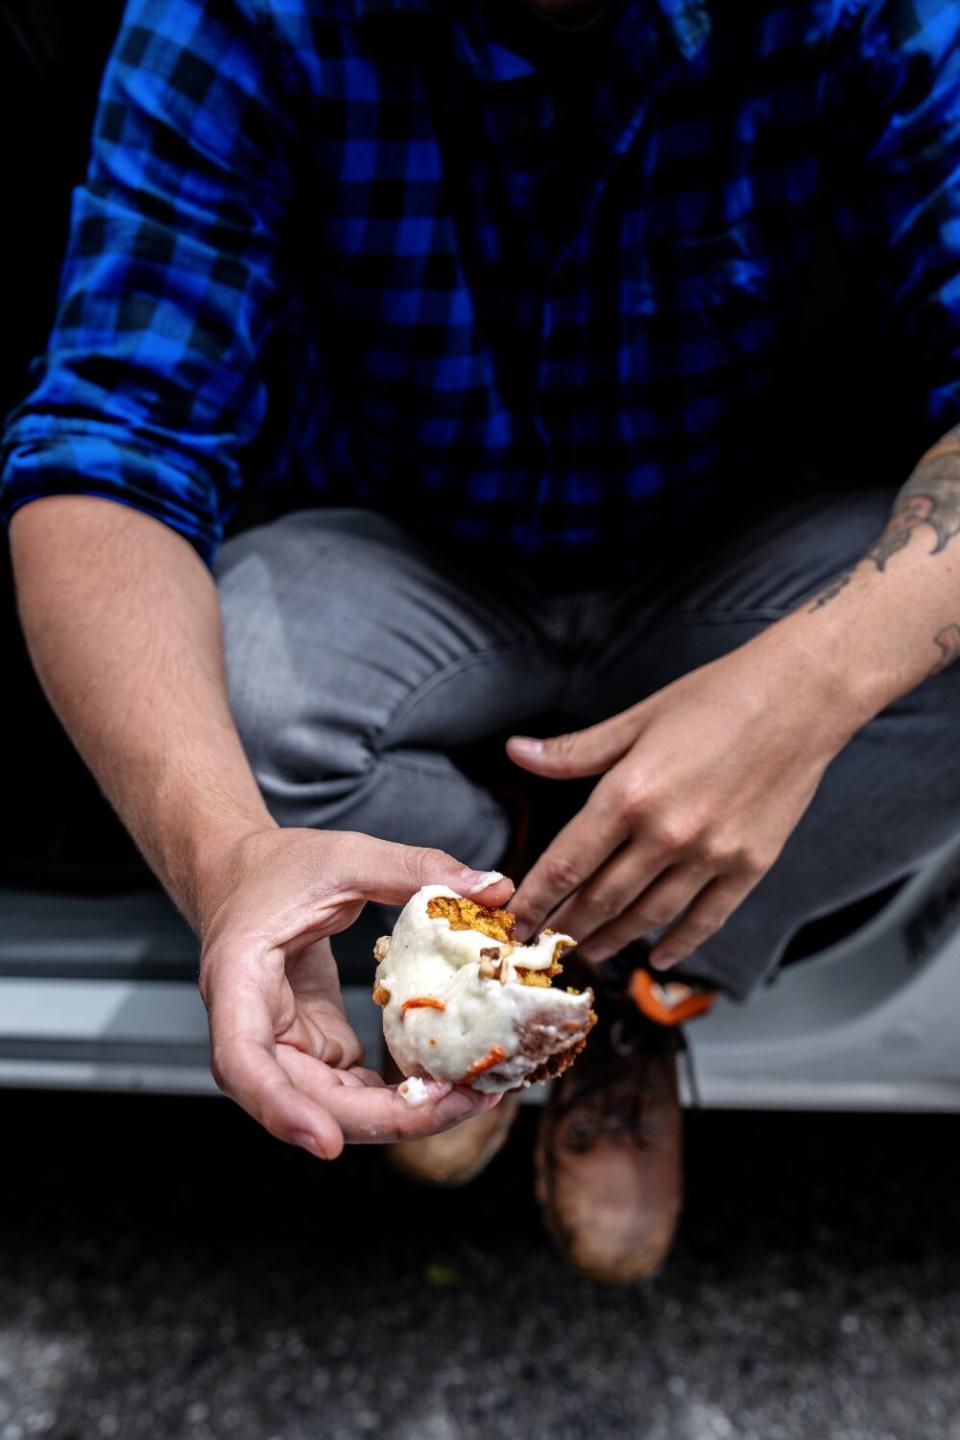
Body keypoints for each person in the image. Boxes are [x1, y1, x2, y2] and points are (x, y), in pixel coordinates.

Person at [4, 0, 960, 1284]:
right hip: (410, 554)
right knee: (215, 705)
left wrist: (807, 689)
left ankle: (606, 989)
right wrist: (227, 859)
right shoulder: (233, 18)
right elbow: (107, 455)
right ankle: (487, 966)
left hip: (730, 568)